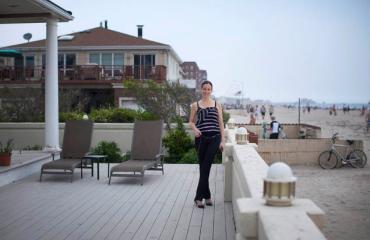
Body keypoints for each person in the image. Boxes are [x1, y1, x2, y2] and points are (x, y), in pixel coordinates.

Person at [189, 80, 225, 208]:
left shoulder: (217, 105)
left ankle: (199, 198)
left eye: (208, 89)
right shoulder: (195, 105)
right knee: (203, 168)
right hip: (201, 139)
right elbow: (191, 122)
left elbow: (221, 123)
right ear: (201, 89)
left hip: (215, 138)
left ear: (211, 90)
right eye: (204, 89)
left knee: (206, 166)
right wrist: (195, 129)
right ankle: (208, 196)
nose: (206, 91)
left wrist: (222, 141)